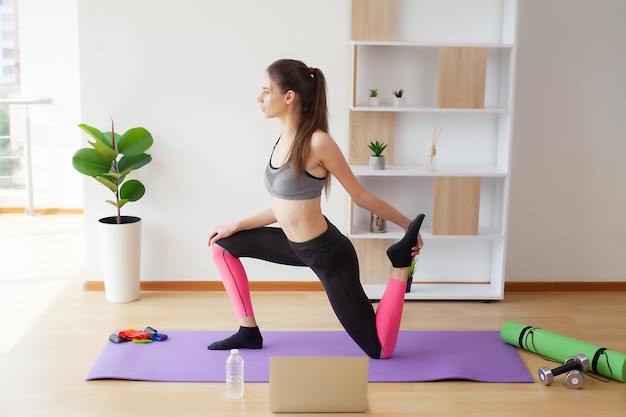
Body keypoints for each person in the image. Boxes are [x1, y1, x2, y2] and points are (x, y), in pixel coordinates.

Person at [207, 59, 424, 359]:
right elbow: (282, 208)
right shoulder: (281, 137)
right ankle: (248, 331)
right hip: (294, 245)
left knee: (380, 349)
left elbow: (359, 196)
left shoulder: (319, 142)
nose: (259, 98)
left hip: (328, 256)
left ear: (289, 96)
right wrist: (235, 226)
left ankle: (399, 266)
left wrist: (406, 224)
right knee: (222, 246)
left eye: (266, 91)